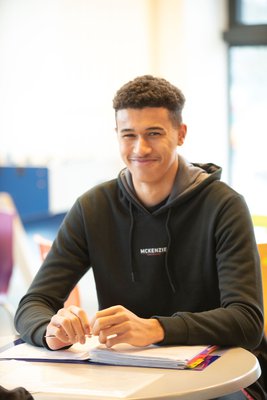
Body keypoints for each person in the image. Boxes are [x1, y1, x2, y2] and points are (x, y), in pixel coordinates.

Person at [15, 75, 266, 399]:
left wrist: (155, 329)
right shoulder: (93, 207)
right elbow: (32, 304)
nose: (140, 148)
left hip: (220, 377)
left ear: (181, 134)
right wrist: (49, 330)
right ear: (117, 136)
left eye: (154, 134)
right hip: (126, 377)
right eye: (128, 135)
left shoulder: (224, 206)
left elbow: (246, 321)